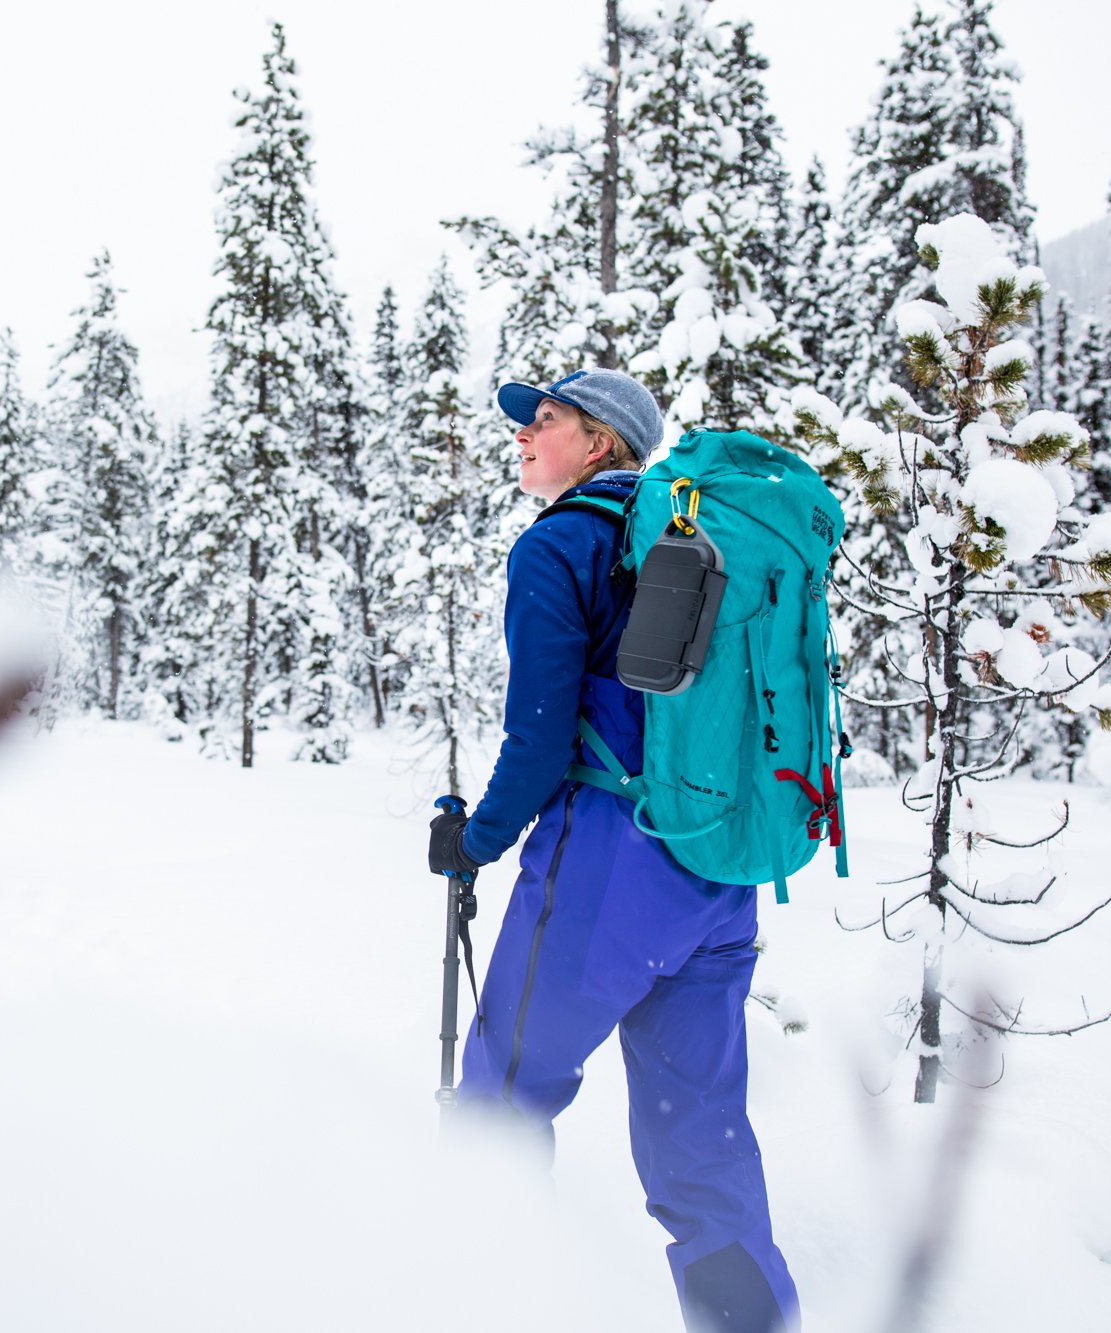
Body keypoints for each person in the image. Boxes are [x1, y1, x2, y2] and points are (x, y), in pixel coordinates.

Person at [426, 369, 798, 1333]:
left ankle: (483, 1307)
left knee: (498, 1110)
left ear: (600, 443)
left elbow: (542, 734)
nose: (522, 439)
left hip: (607, 873)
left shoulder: (562, 544)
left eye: (543, 422)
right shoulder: (697, 540)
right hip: (717, 872)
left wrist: (476, 838)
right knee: (703, 1149)